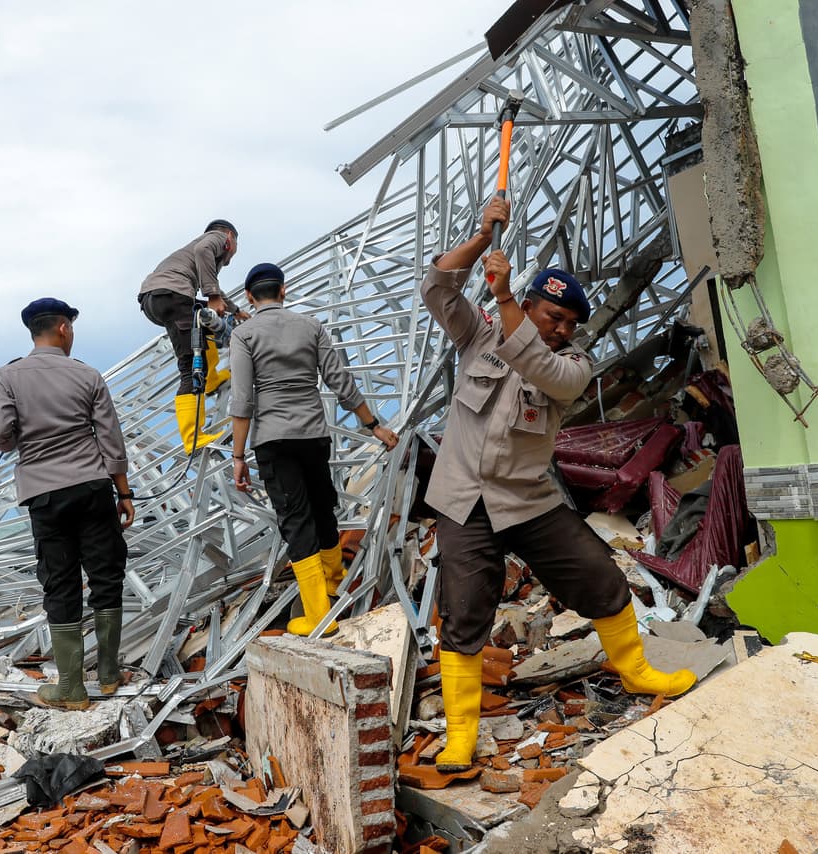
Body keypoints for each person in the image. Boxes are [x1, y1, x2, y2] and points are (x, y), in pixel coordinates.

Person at [421, 198, 695, 773]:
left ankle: (637, 671)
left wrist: (504, 300)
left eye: (571, 323)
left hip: (529, 499)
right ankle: (462, 734)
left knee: (599, 576)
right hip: (464, 500)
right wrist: (481, 239)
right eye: (553, 317)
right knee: (464, 610)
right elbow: (439, 287)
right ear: (530, 305)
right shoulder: (478, 334)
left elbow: (543, 372)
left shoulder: (573, 364)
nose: (563, 330)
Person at [229, 263, 399, 636]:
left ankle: (319, 616)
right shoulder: (311, 326)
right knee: (323, 509)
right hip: (313, 434)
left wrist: (238, 456)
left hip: (273, 439)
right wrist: (373, 425)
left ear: (249, 298)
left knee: (296, 519)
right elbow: (340, 380)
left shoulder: (244, 334)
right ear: (283, 290)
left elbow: (242, 400)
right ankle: (334, 583)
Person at [0, 297, 135, 709]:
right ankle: (109, 674)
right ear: (64, 328)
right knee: (106, 574)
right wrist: (124, 493)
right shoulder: (87, 375)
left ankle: (71, 687)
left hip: (44, 493)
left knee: (60, 580)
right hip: (92, 487)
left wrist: (18, 437)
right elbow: (110, 439)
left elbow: (0, 433)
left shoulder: (6, 376)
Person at [138, 219, 244, 453]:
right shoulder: (217, 239)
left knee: (204, 321)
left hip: (157, 298)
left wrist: (235, 310)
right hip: (172, 294)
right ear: (230, 236)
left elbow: (215, 291)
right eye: (236, 246)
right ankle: (193, 438)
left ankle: (212, 379)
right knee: (190, 367)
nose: (232, 256)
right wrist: (212, 295)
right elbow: (203, 251)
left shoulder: (193, 258)